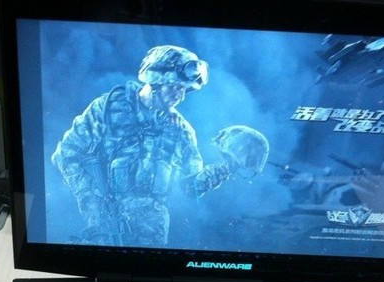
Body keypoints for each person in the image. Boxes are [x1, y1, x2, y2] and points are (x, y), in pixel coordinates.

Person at [52, 44, 263, 246]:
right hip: (106, 225)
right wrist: (89, 200)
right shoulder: (108, 109)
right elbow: (66, 154)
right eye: (174, 87)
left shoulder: (180, 130)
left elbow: (191, 186)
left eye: (184, 90)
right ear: (155, 80)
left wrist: (227, 166)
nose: (179, 96)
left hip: (152, 236)